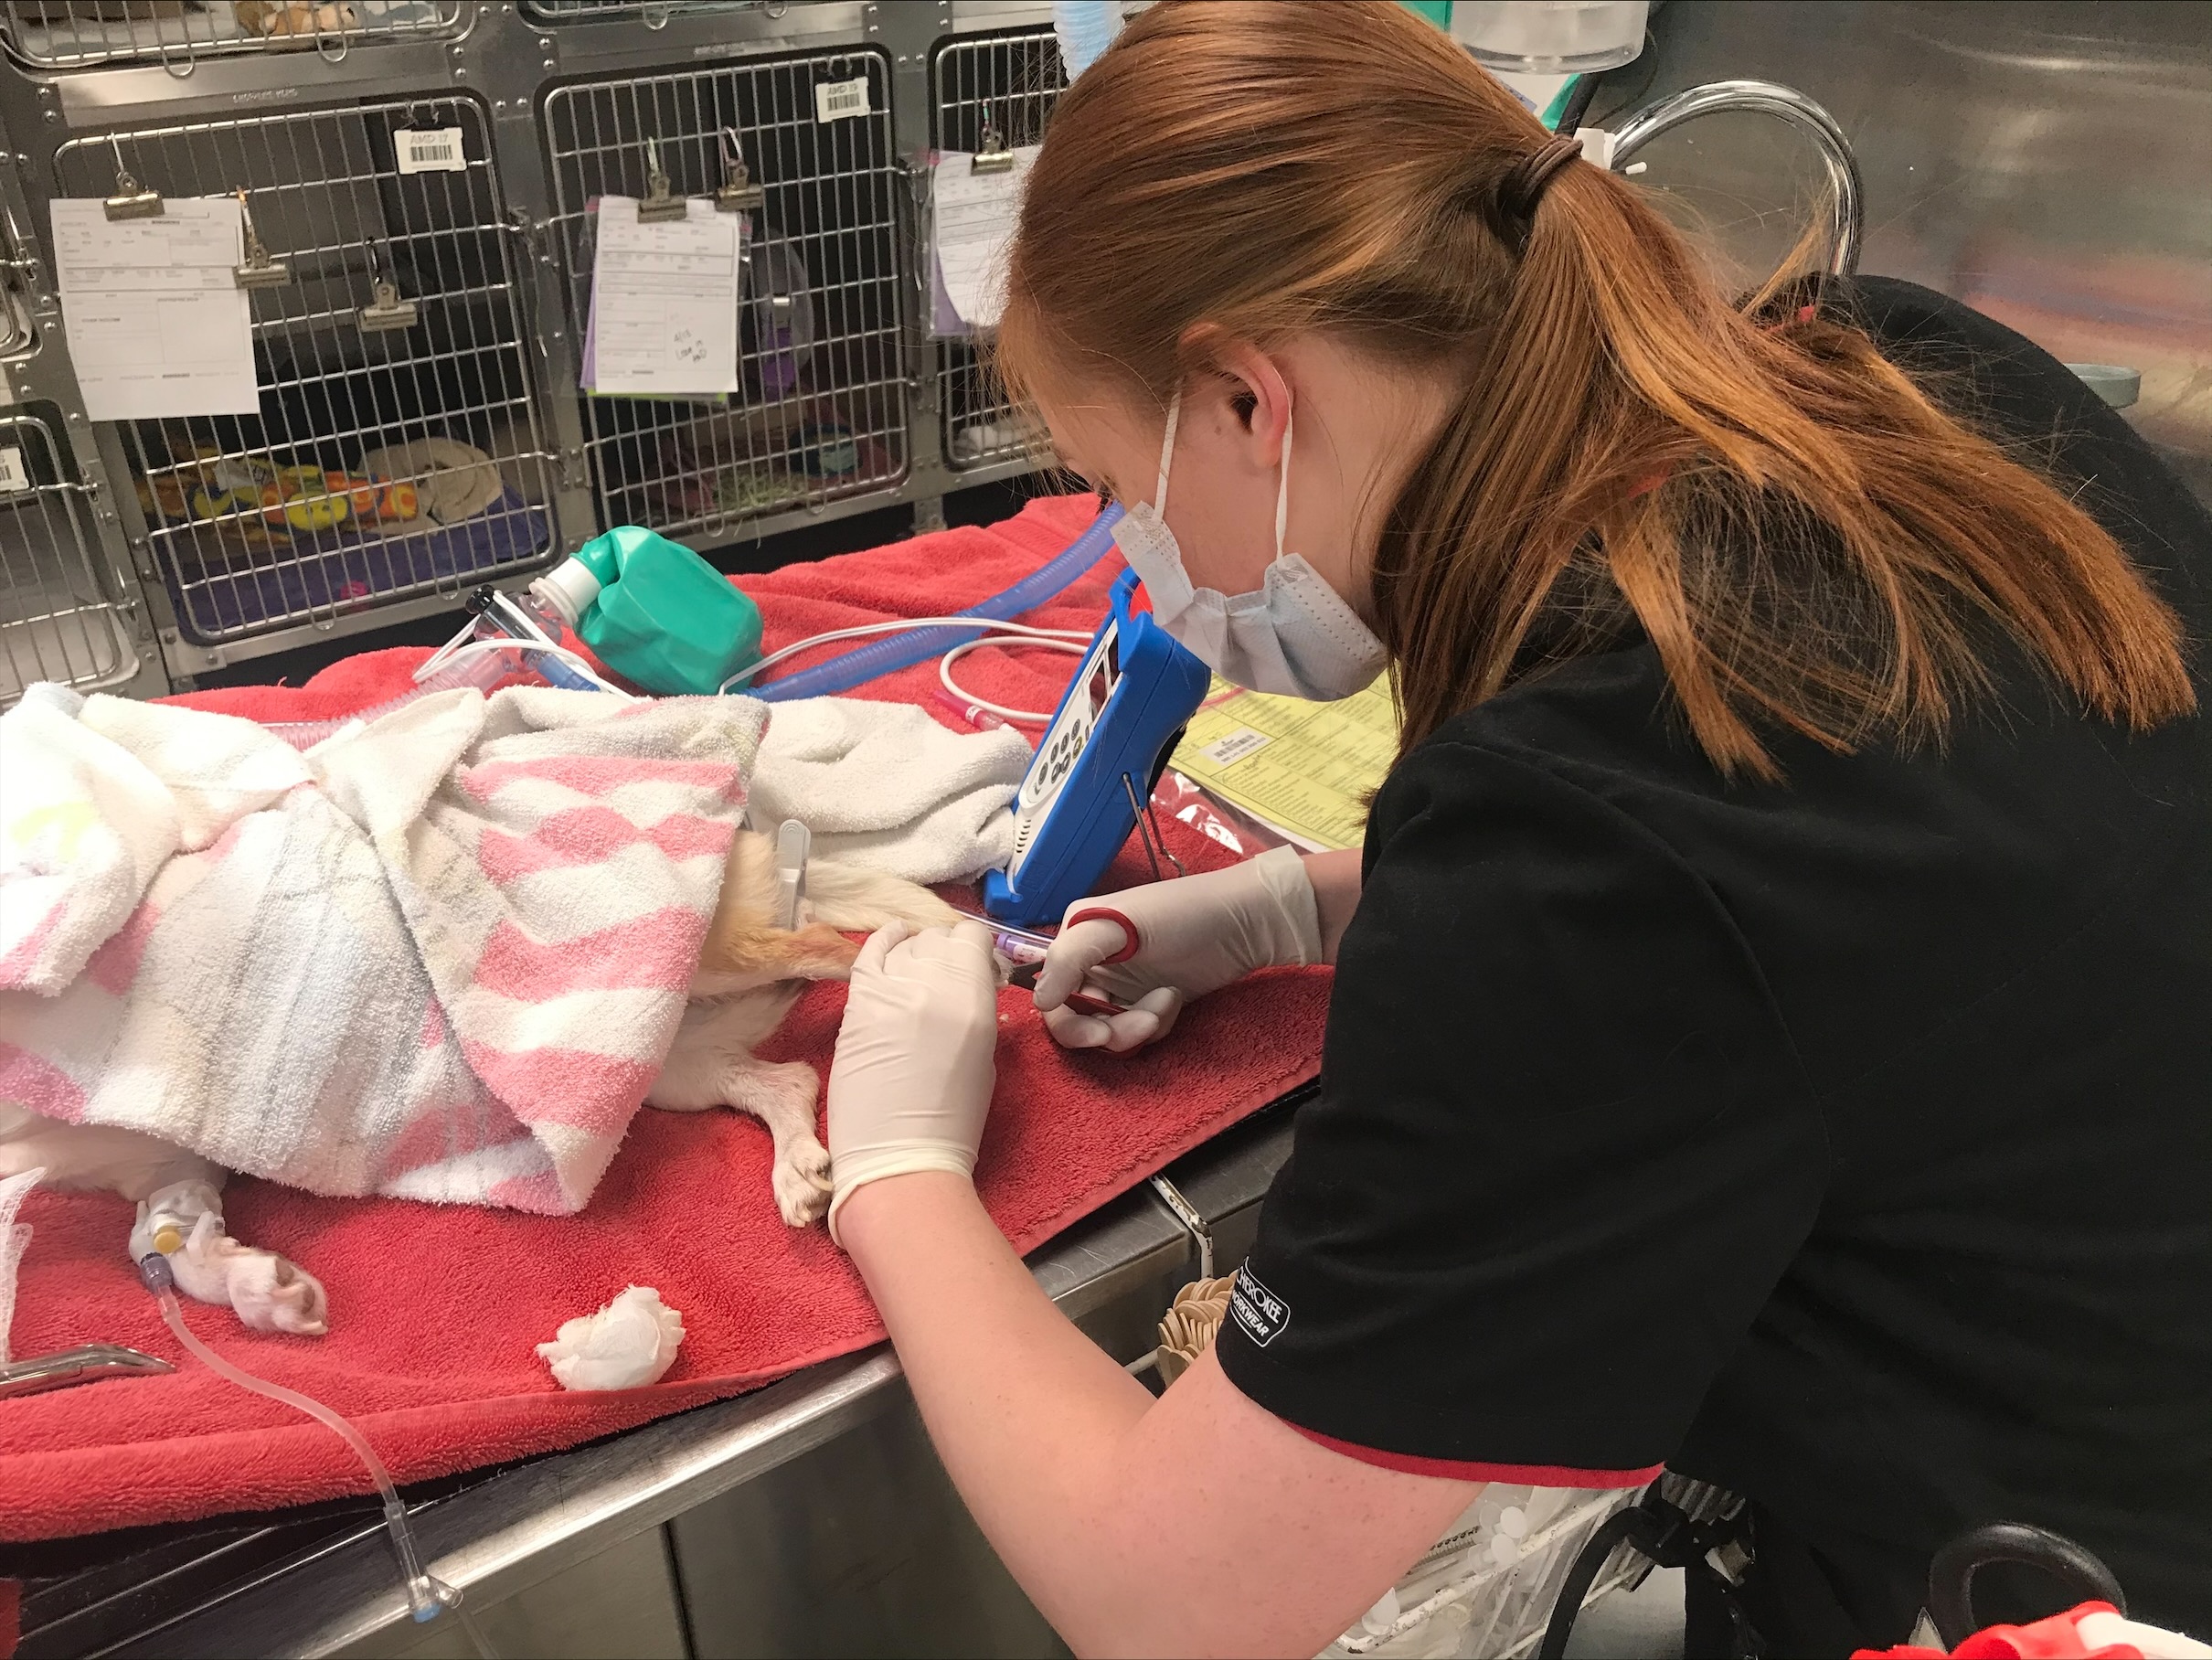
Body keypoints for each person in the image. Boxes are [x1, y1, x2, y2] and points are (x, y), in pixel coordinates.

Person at [820, 4, 2212, 1654]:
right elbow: (1872, 887)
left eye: (1115, 481)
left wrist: (898, 1173)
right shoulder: (1881, 358)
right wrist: (1299, 910)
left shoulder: (1591, 837)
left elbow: (1172, 1598)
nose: (1141, 556)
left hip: (2051, 1566)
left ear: (1250, 403)